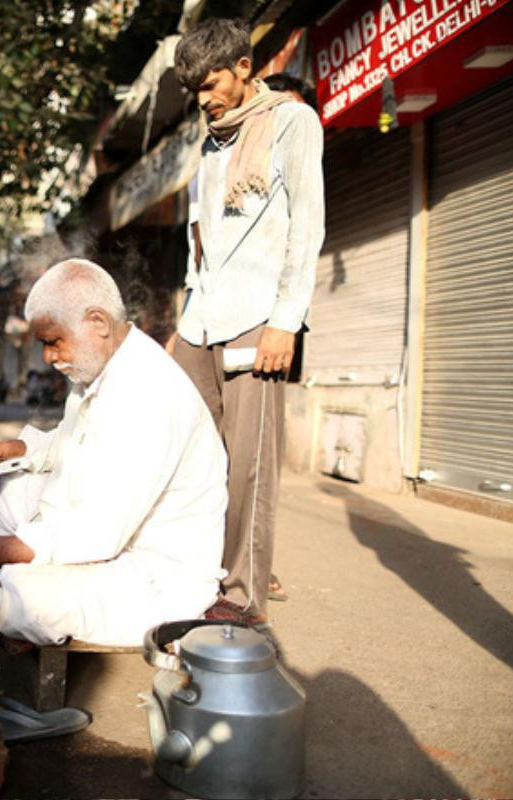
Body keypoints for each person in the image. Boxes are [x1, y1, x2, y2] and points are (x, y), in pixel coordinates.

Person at [0, 259, 227, 646]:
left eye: (53, 341)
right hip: (103, 532)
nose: (48, 357)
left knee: (15, 596)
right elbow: (66, 442)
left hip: (152, 572)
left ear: (98, 322)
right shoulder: (101, 368)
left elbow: (97, 533)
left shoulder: (150, 395)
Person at [169, 19, 325, 626]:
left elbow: (306, 229)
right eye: (196, 92)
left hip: (257, 320)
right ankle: (193, 571)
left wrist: (285, 322)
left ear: (242, 66)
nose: (206, 100)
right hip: (202, 321)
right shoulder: (210, 140)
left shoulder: (292, 122)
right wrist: (184, 317)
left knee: (249, 470)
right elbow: (198, 237)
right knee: (190, 454)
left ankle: (242, 597)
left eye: (212, 85)